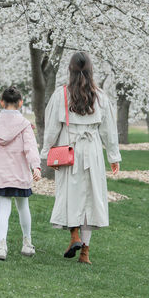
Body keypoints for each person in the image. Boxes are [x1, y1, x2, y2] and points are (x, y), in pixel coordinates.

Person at [41, 50, 121, 266]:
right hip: (92, 150)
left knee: (71, 194)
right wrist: (113, 155)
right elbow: (109, 130)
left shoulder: (61, 95)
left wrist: (46, 151)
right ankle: (85, 251)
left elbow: (51, 128)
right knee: (91, 197)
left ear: (70, 70)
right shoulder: (100, 96)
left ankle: (74, 236)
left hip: (70, 149)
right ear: (91, 70)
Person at [0, 86, 42, 260]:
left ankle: (2, 246)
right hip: (19, 174)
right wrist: (36, 167)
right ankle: (27, 243)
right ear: (20, 103)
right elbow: (30, 147)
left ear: (1, 103)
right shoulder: (24, 125)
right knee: (23, 207)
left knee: (3, 210)